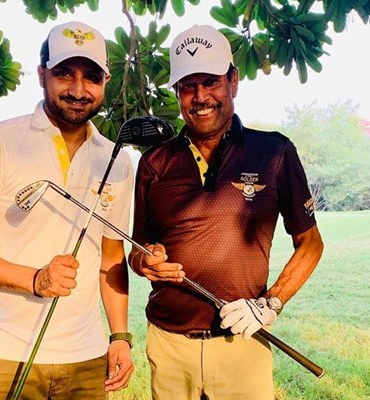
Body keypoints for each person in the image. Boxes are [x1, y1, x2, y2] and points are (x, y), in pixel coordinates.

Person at [0, 21, 134, 399]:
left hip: (87, 354)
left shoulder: (116, 159)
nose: (78, 90)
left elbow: (112, 257)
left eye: (91, 77)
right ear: (42, 73)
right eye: (64, 73)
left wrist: (120, 336)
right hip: (8, 351)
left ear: (105, 81)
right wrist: (35, 279)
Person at [128, 25, 324, 400]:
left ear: (233, 81)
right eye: (188, 85)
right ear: (177, 92)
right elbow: (137, 248)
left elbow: (311, 244)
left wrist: (270, 303)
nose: (200, 97)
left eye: (211, 82)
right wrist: (145, 261)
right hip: (170, 345)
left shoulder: (275, 153)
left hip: (243, 341)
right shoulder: (154, 162)